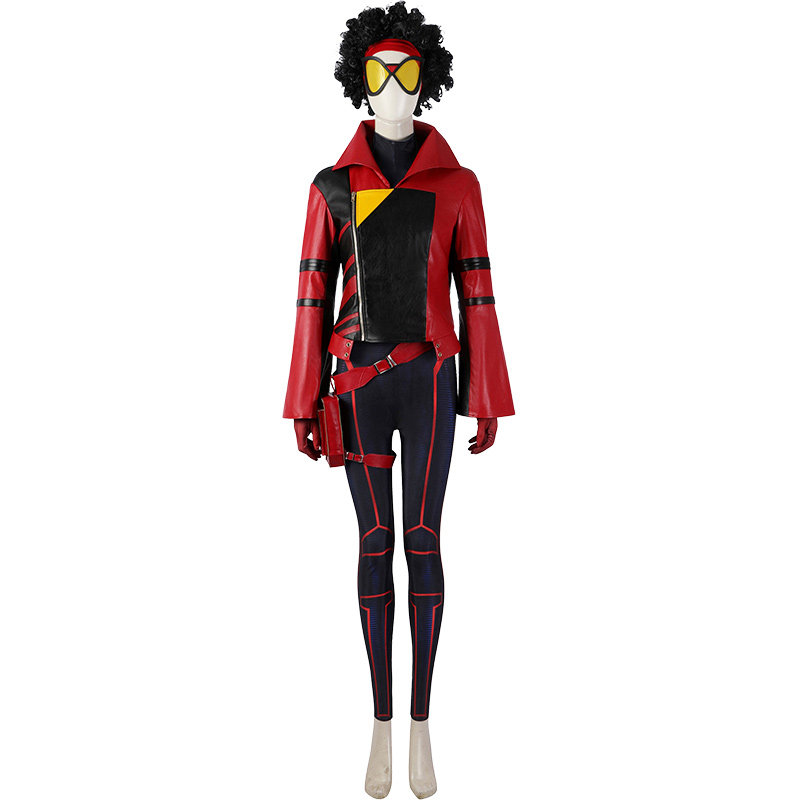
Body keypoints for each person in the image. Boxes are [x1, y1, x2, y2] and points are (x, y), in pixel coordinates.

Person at [282, 4, 514, 797]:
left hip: (429, 384)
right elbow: (310, 300)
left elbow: (477, 292)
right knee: (374, 542)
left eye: (405, 71)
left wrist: (486, 393)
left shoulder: (460, 185)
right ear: (358, 79)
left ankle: (422, 725)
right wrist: (301, 398)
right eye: (377, 72)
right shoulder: (330, 187)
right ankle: (379, 724)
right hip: (356, 387)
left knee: (425, 540)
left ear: (427, 79)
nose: (392, 87)